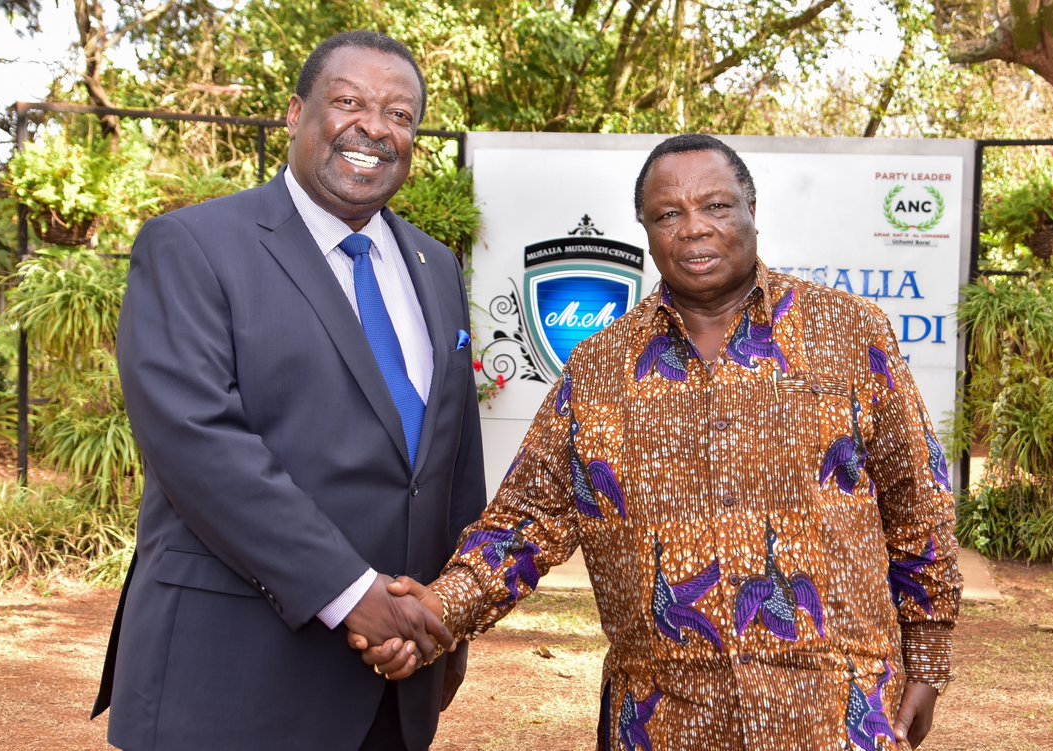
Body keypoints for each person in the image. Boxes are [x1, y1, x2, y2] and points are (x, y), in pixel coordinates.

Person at [361, 134, 963, 750]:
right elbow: (525, 522)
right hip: (664, 719)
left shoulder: (849, 333)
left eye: (717, 206)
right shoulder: (600, 368)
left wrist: (930, 658)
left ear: (753, 210)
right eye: (669, 214)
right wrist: (436, 610)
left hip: (838, 709)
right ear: (647, 232)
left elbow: (918, 503)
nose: (694, 229)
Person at [91, 31, 485, 751]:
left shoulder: (435, 266)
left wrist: (442, 622)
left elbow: (452, 463)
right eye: (348, 102)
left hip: (393, 685)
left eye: (399, 114)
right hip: (231, 683)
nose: (374, 126)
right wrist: (353, 594)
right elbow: (198, 443)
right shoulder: (193, 246)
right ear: (296, 113)